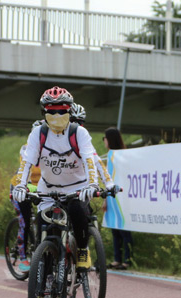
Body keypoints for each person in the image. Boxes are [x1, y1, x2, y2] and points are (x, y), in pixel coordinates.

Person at [12, 86, 101, 285]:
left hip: (76, 187)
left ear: (69, 111)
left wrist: (93, 183)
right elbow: (27, 161)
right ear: (44, 113)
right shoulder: (38, 133)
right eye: (51, 111)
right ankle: (43, 288)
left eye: (62, 110)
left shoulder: (80, 133)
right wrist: (20, 185)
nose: (57, 115)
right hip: (48, 188)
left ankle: (82, 252)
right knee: (47, 232)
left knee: (78, 211)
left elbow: (89, 159)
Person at [101, 127, 133, 270]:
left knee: (124, 229)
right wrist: (106, 199)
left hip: (122, 196)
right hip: (113, 196)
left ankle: (127, 259)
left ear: (110, 139)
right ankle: (117, 259)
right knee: (115, 228)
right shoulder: (110, 155)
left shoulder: (120, 155)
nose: (104, 141)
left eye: (105, 138)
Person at [9, 144, 41, 272]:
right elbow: (24, 172)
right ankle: (23, 258)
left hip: (39, 190)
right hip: (19, 189)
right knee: (25, 221)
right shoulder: (27, 150)